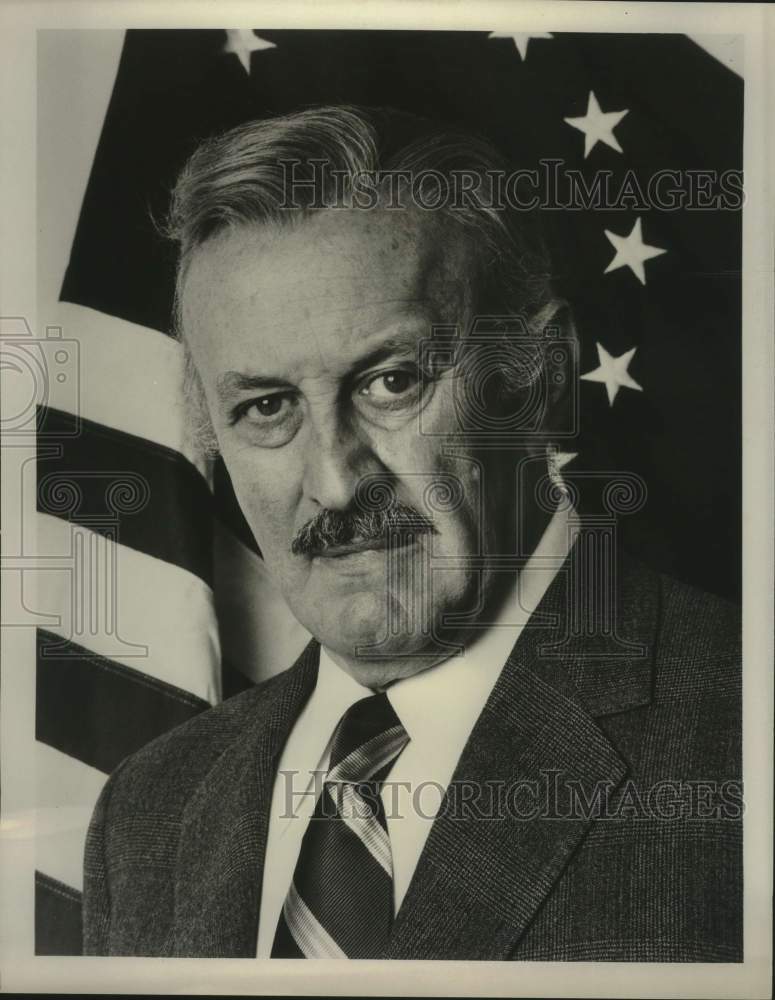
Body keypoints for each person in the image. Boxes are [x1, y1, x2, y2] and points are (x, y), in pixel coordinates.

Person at [82, 105, 742, 961]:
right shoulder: (148, 812)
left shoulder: (739, 736)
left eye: (391, 382)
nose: (334, 481)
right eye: (267, 407)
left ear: (540, 381)